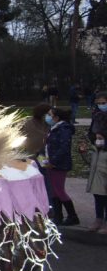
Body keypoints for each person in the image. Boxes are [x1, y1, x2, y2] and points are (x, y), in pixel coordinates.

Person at [44, 107, 78, 225]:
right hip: (50, 164)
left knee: (59, 190)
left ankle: (72, 216)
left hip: (58, 164)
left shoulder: (63, 129)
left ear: (57, 118)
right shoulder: (54, 128)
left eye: (49, 115)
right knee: (54, 191)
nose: (47, 117)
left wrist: (52, 161)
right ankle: (58, 216)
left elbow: (64, 148)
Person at [80, 92, 107, 233]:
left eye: (103, 102)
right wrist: (92, 141)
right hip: (98, 152)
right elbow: (91, 132)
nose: (101, 105)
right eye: (99, 103)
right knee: (98, 193)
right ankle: (98, 218)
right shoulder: (96, 116)